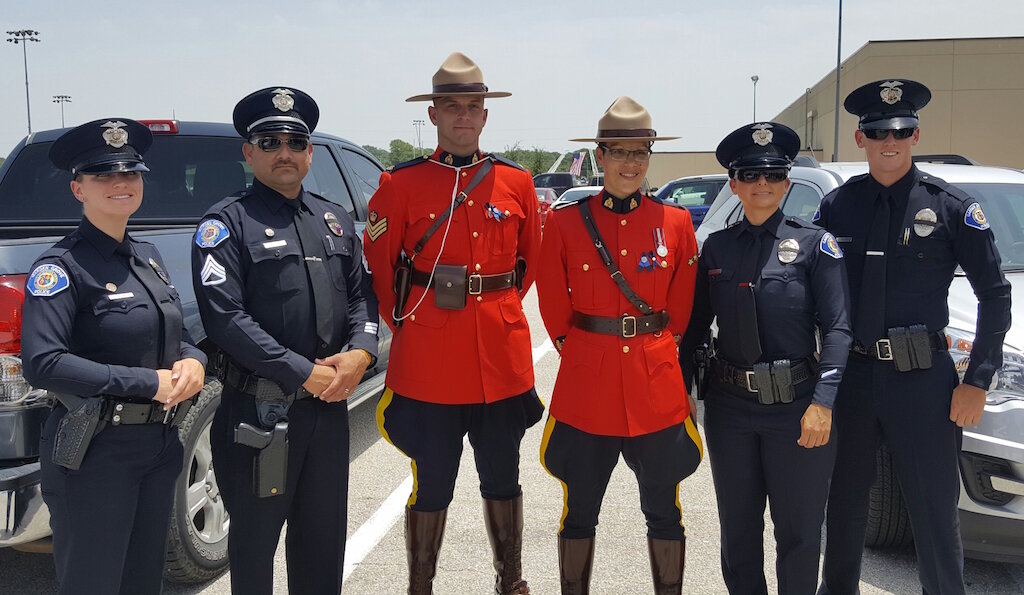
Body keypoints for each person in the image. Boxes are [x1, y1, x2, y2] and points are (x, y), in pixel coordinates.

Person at [815, 79, 1012, 595]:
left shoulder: (951, 207)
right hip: (854, 379)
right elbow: (812, 295)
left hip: (924, 380)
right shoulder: (837, 208)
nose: (890, 141)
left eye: (900, 130)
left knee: (933, 511)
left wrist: (979, 379)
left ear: (916, 134)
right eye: (878, 131)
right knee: (845, 507)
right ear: (861, 138)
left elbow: (995, 295)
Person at [363, 51, 542, 595]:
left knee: (504, 479)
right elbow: (380, 269)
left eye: (473, 106)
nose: (463, 116)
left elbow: (527, 265)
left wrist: (493, 308)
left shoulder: (517, 183)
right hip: (431, 364)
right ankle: (421, 584)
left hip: (498, 361)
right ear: (434, 115)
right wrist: (416, 322)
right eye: (451, 107)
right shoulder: (400, 185)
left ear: (485, 115)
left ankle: (509, 580)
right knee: (433, 482)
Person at [191, 86, 379, 594]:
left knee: (322, 546)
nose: (285, 152)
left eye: (295, 141)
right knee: (254, 550)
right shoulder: (226, 225)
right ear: (249, 153)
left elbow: (364, 296)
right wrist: (307, 372)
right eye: (270, 141)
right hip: (259, 415)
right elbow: (226, 320)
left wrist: (361, 352)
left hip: (326, 414)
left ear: (310, 152)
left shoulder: (333, 220)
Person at [21, 118, 207, 594]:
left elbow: (175, 333)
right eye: (103, 175)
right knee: (93, 583)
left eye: (130, 173)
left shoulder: (147, 256)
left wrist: (193, 360)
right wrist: (148, 384)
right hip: (96, 451)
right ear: (77, 189)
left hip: (158, 444)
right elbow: (43, 362)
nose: (120, 184)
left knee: (143, 580)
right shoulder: (60, 268)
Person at [536, 96, 703, 594]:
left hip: (654, 386)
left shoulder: (675, 224)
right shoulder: (565, 222)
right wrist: (584, 351)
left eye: (641, 152)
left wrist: (654, 349)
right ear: (599, 155)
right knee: (580, 507)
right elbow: (552, 301)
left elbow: (681, 307)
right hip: (589, 385)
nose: (631, 163)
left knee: (664, 507)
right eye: (620, 152)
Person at [678, 122, 851, 594]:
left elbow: (837, 328)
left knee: (797, 534)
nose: (762, 184)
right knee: (738, 534)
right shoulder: (715, 248)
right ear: (733, 184)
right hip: (731, 409)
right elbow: (694, 329)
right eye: (750, 174)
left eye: (773, 174)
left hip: (797, 408)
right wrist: (683, 393)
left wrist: (824, 403)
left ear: (787, 183)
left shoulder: (817, 245)